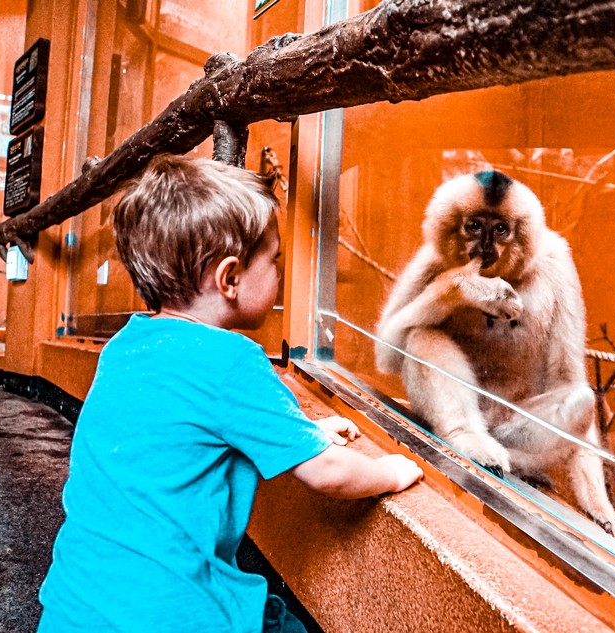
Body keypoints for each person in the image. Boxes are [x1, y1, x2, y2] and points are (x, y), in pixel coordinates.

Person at [37, 154, 424, 632]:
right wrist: (386, 473)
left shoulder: (127, 346)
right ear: (230, 278)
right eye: (275, 259)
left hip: (77, 606)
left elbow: (190, 432)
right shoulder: (231, 360)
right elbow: (327, 472)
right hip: (168, 614)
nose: (281, 274)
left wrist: (298, 433)